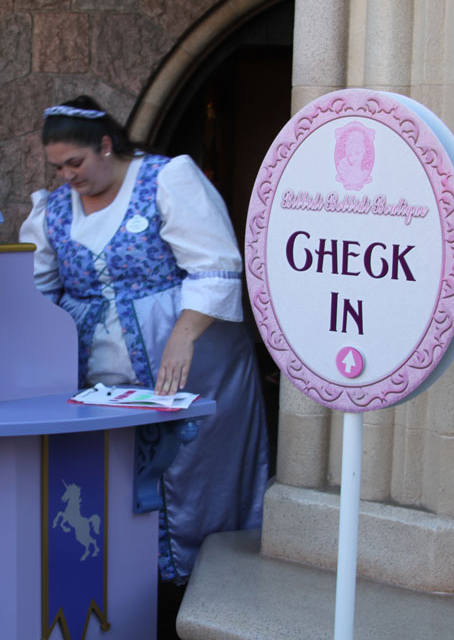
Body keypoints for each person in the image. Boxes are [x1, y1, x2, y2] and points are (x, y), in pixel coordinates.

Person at [19, 97, 269, 597]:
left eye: (76, 162)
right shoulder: (53, 209)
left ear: (106, 146)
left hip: (188, 362)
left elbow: (215, 265)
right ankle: (122, 588)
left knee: (190, 473)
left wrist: (182, 333)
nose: (68, 174)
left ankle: (201, 587)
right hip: (94, 380)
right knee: (106, 477)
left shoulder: (166, 179)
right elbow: (36, 288)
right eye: (58, 166)